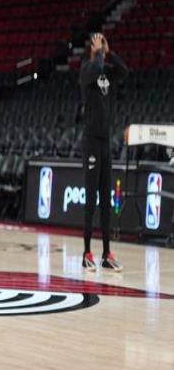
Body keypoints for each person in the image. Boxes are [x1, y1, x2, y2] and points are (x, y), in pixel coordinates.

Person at [79, 32, 128, 272]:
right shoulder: (86, 70)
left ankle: (107, 253)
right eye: (98, 44)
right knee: (91, 200)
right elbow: (95, 67)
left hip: (105, 142)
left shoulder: (105, 71)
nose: (101, 46)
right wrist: (98, 53)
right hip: (91, 141)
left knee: (106, 201)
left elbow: (124, 71)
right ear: (91, 48)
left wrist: (109, 52)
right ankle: (87, 253)